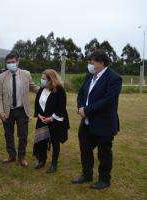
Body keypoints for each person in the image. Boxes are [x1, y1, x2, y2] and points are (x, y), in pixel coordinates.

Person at [72, 50, 122, 190]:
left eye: (92, 62)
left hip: (103, 123)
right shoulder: (90, 75)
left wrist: (87, 110)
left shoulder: (114, 78)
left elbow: (108, 101)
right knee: (85, 149)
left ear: (101, 63)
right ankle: (86, 175)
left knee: (104, 152)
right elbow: (81, 93)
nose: (90, 65)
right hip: (86, 122)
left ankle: (104, 180)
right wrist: (81, 107)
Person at [0, 53, 39, 167]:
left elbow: (33, 87)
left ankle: (22, 157)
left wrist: (45, 90)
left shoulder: (26, 74)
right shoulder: (1, 77)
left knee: (23, 135)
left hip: (22, 110)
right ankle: (11, 155)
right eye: (8, 63)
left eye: (13, 62)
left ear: (18, 62)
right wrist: (1, 112)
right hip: (7, 111)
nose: (11, 64)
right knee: (8, 134)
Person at [33, 69, 69, 173]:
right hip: (42, 119)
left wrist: (51, 118)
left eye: (44, 79)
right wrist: (39, 115)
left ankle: (54, 164)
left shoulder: (59, 90)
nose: (41, 80)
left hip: (55, 121)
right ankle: (41, 160)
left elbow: (61, 106)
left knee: (55, 142)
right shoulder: (41, 89)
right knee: (41, 141)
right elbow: (37, 104)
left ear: (50, 80)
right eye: (41, 78)